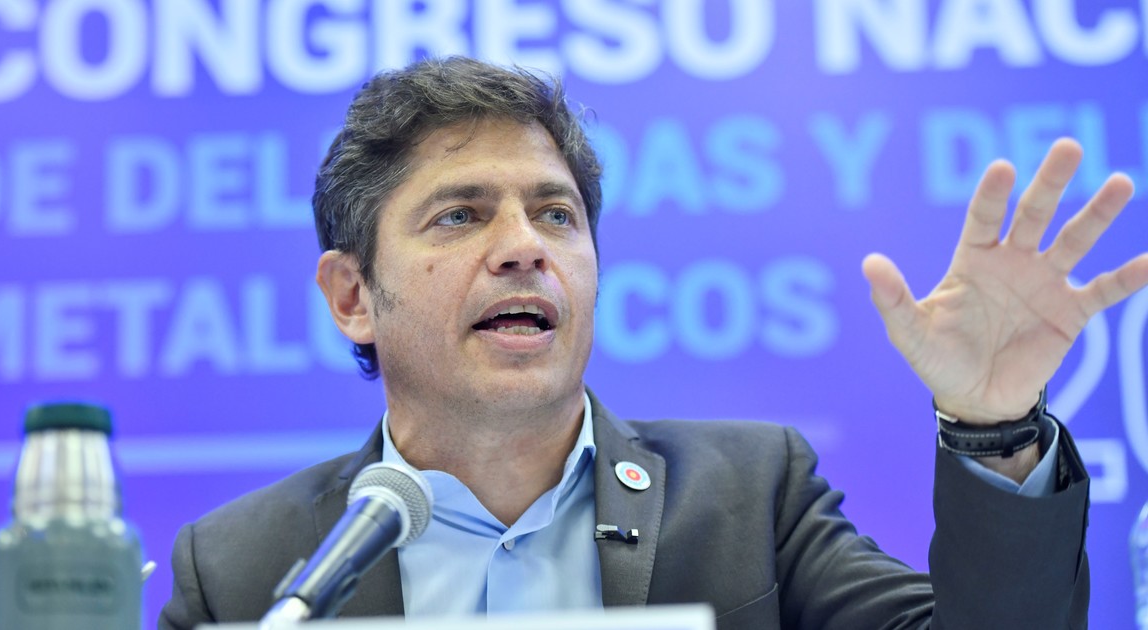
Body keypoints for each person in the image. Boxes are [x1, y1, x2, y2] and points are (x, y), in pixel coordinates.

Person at [160, 56, 1144, 629]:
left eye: (556, 215)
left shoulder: (750, 497)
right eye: (461, 215)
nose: (525, 249)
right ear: (351, 297)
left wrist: (992, 425)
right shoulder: (245, 569)